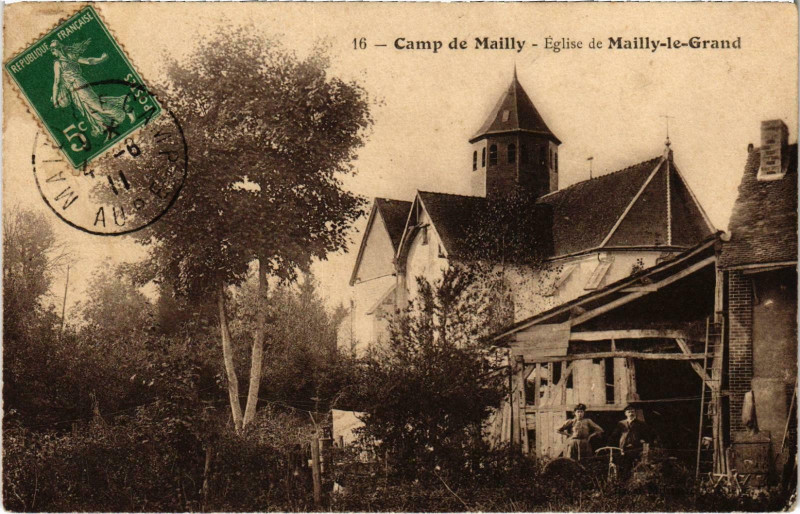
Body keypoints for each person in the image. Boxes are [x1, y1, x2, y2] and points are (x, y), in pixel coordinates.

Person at [50, 40, 134, 140]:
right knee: (90, 111)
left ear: (57, 50)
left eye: (52, 50)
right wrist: (101, 59)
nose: (52, 53)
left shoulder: (60, 62)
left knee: (97, 106)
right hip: (75, 90)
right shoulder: (68, 57)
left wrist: (55, 100)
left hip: (79, 85)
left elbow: (57, 82)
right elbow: (89, 61)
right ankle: (109, 129)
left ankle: (123, 107)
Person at [611, 404, 654, 476]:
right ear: (625, 414)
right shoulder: (621, 423)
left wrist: (643, 441)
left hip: (636, 448)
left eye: (632, 412)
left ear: (635, 413)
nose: (631, 413)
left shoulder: (641, 424)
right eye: (629, 412)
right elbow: (615, 435)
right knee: (624, 466)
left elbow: (647, 436)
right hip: (623, 447)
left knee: (636, 466)